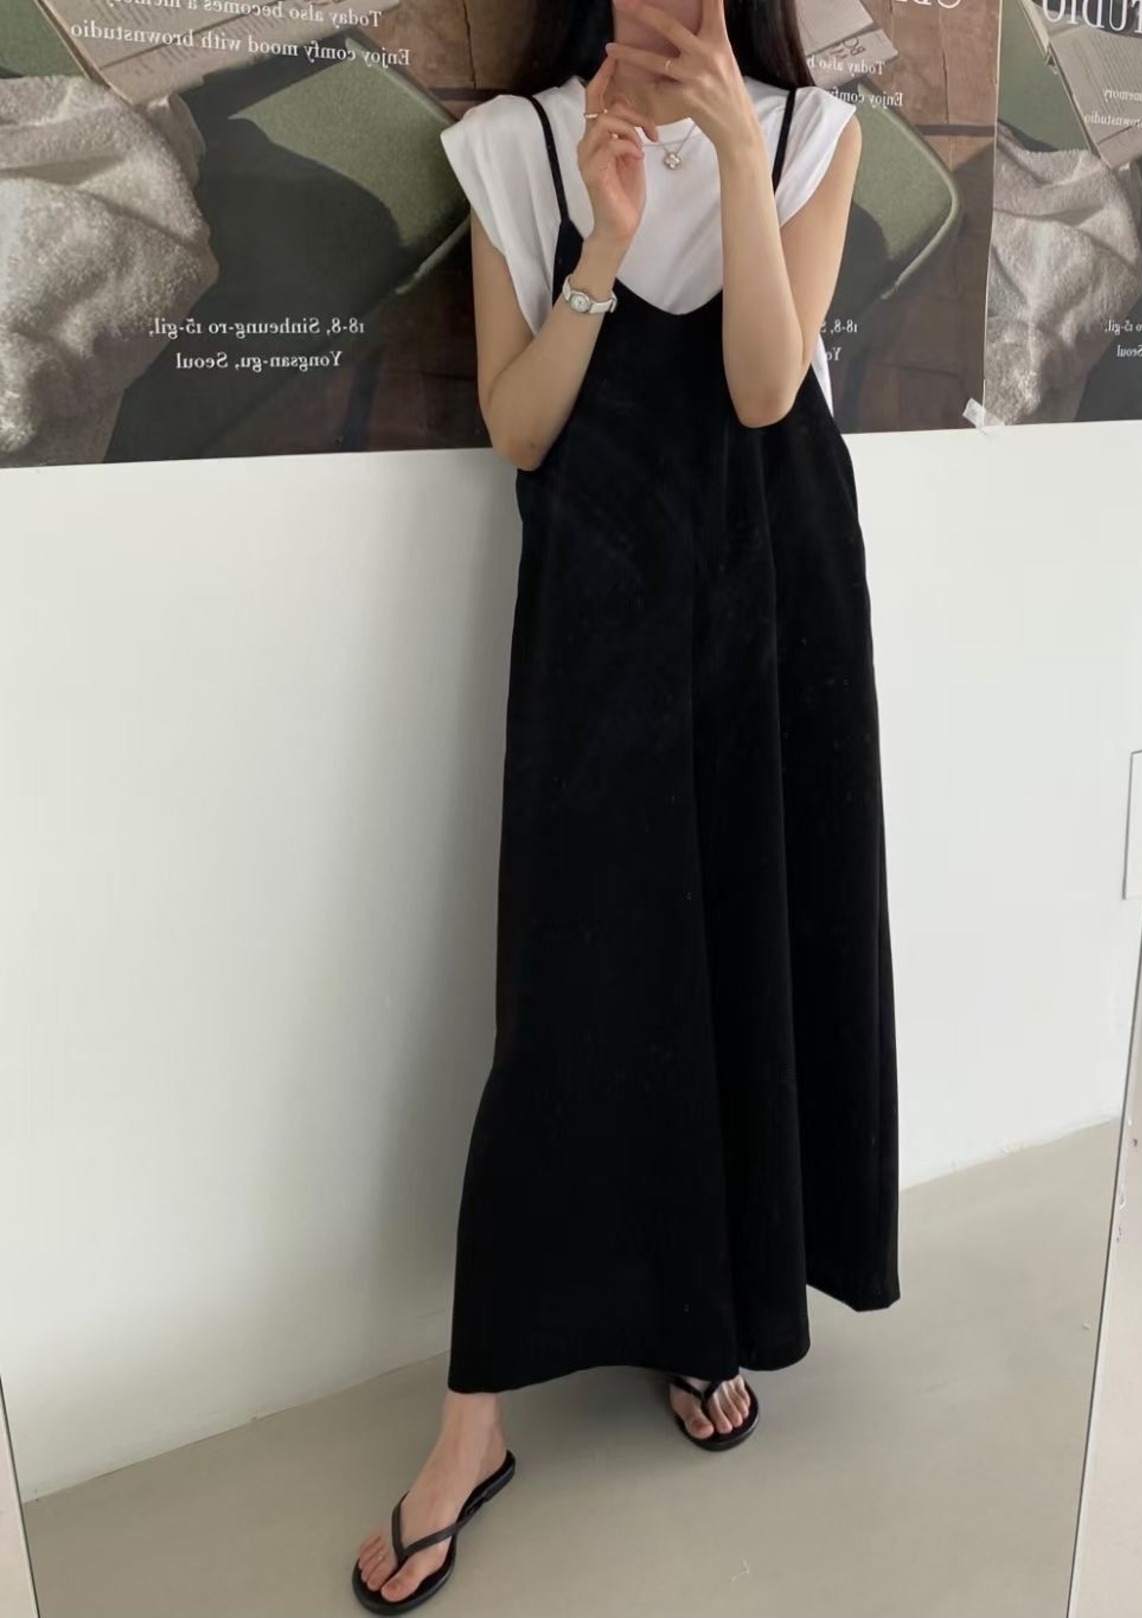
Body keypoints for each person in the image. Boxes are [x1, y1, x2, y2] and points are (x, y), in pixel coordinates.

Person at [352, 0, 899, 1608]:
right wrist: (601, 242)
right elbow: (521, 428)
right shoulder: (514, 147)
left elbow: (764, 391)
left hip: (775, 594)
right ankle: (475, 1418)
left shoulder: (813, 134)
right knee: (571, 990)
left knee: (742, 956)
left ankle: (699, 1316)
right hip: (600, 592)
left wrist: (730, 147)